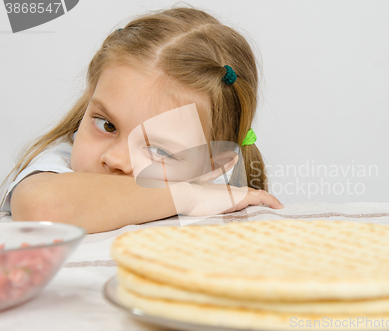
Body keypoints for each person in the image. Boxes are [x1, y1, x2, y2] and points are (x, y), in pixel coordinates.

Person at [0, 7, 283, 234]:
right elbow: (43, 208)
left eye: (159, 151)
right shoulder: (60, 167)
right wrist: (187, 196)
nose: (116, 159)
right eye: (106, 125)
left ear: (213, 167)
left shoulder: (226, 196)